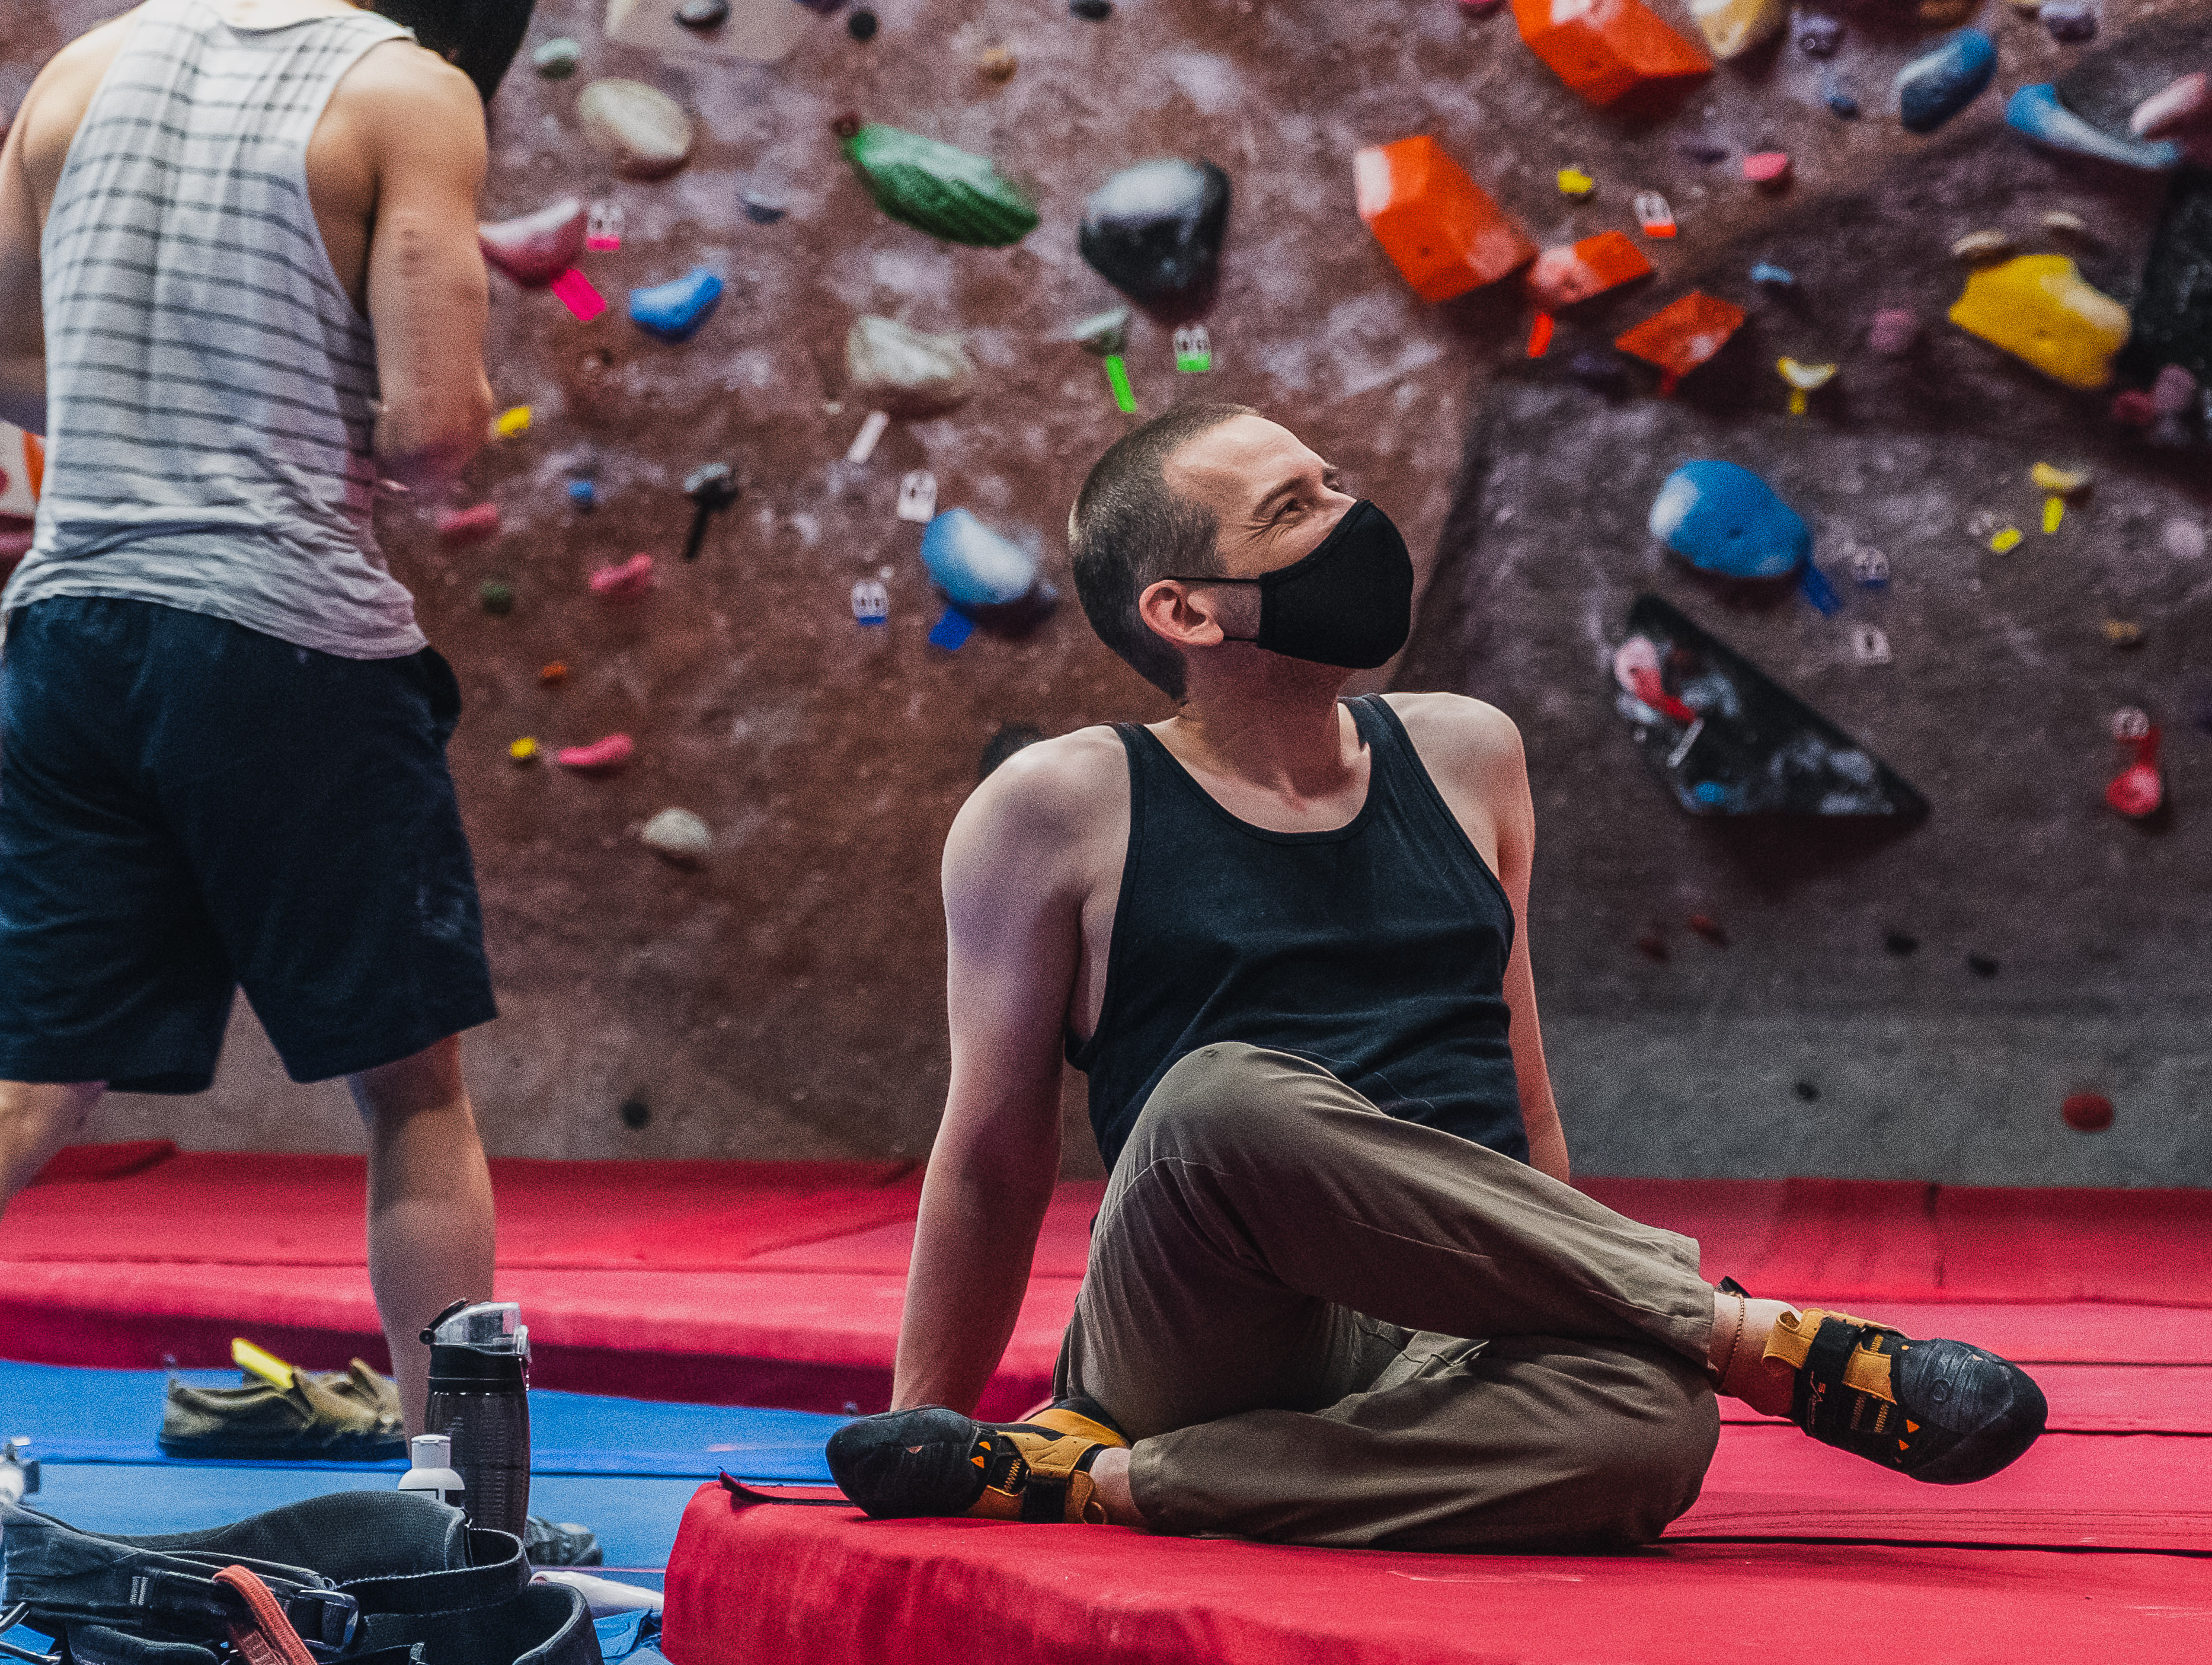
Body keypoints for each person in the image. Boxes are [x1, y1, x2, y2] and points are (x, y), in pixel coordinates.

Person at [826, 400, 2045, 1551]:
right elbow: (991, 1158)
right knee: (1220, 1098)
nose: (1351, 518)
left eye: (1333, 484)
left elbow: (1519, 1096)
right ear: (1186, 612)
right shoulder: (1054, 806)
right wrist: (917, 1428)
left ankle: (1099, 1481)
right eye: (1292, 510)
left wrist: (1574, 1314)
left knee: (1651, 1425)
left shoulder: (1468, 752)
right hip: (1204, 1311)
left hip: (1445, 1314)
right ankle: (1761, 1341)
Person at [0, 0, 539, 1573]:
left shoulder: (83, 62)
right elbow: (432, 427)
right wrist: (301, 408)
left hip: (77, 633)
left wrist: (157, 396)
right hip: (280, 633)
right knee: (413, 1094)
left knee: (18, 1094)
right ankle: (455, 1505)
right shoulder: (407, 87)